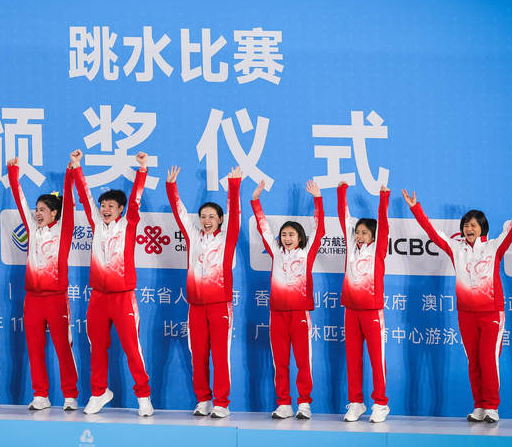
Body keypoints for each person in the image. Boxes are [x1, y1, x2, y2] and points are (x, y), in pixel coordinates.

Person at [402, 188, 512, 423]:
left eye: (474, 225)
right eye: (466, 225)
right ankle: (479, 406)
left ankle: (492, 407)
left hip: (491, 313)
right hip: (466, 314)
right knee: (474, 362)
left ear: (482, 228)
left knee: (489, 360)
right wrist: (415, 208)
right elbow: (432, 231)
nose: (469, 229)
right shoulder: (456, 248)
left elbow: (511, 230)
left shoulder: (494, 247)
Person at [69, 149, 153, 416]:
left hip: (123, 296)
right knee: (96, 346)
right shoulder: (95, 221)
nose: (104, 209)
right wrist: (77, 166)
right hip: (98, 297)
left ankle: (143, 396)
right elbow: (84, 196)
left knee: (131, 347)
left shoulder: (129, 223)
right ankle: (98, 392)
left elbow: (136, 199)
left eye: (110, 206)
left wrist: (142, 169)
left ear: (120, 209)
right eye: (103, 205)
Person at [166, 165, 242, 418]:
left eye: (212, 216)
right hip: (196, 307)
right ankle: (203, 400)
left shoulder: (227, 237)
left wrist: (234, 185)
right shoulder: (194, 237)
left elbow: (235, 212)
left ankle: (222, 402)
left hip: (220, 305)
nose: (206, 220)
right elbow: (179, 214)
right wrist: (172, 187)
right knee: (198, 356)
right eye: (203, 216)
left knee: (220, 356)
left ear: (220, 219)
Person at [7, 157, 79, 411]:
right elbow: (19, 199)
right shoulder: (32, 229)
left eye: (42, 210)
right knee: (34, 348)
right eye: (36, 209)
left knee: (63, 347)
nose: (37, 213)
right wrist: (13, 171)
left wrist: (70, 175)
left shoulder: (64, 230)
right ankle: (41, 395)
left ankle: (70, 395)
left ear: (54, 214)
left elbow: (69, 204)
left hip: (56, 297)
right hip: (33, 299)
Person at [251, 179, 324, 420]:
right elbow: (263, 228)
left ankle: (304, 403)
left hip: (300, 314)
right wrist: (255, 201)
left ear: (300, 238)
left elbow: (320, 228)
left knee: (303, 361)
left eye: (291, 234)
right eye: (283, 234)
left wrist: (317, 200)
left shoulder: (307, 253)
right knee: (280, 362)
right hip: (277, 315)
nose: (286, 237)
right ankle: (284, 403)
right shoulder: (275, 252)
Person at [337, 181, 391, 423]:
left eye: (364, 232)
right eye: (357, 231)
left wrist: (383, 196)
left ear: (374, 235)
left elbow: (384, 222)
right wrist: (341, 192)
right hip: (351, 311)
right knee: (353, 359)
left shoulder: (378, 249)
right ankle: (356, 402)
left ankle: (380, 403)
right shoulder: (351, 247)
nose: (359, 236)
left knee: (376, 358)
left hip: (371, 311)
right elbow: (343, 216)